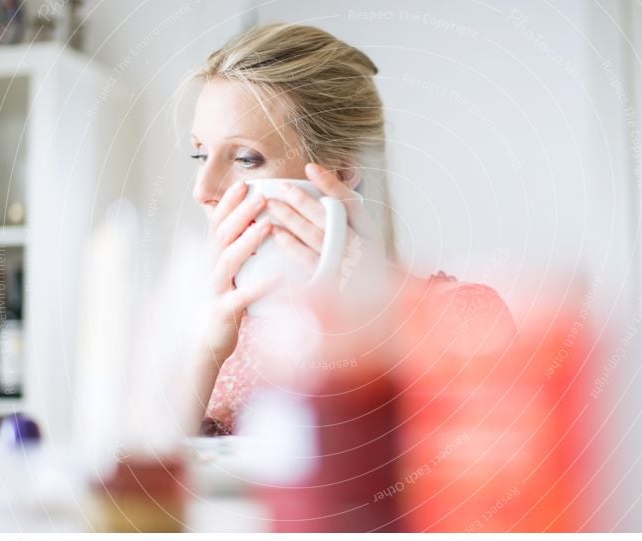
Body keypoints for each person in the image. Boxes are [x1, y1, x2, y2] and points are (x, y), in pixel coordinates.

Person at [181, 22, 516, 436]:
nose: (203, 190)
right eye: (201, 155)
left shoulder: (461, 319)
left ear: (339, 173)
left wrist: (375, 324)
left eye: (246, 158)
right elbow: (145, 490)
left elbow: (465, 480)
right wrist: (206, 352)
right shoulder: (199, 323)